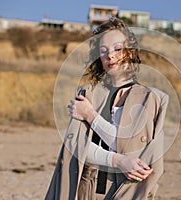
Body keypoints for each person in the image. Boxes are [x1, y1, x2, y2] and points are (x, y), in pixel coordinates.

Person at [45, 17, 168, 200]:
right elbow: (77, 149)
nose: (110, 55)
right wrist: (119, 160)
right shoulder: (88, 94)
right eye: (104, 51)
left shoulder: (150, 99)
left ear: (131, 52)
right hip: (87, 188)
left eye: (118, 49)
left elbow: (133, 149)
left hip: (128, 189)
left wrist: (91, 116)